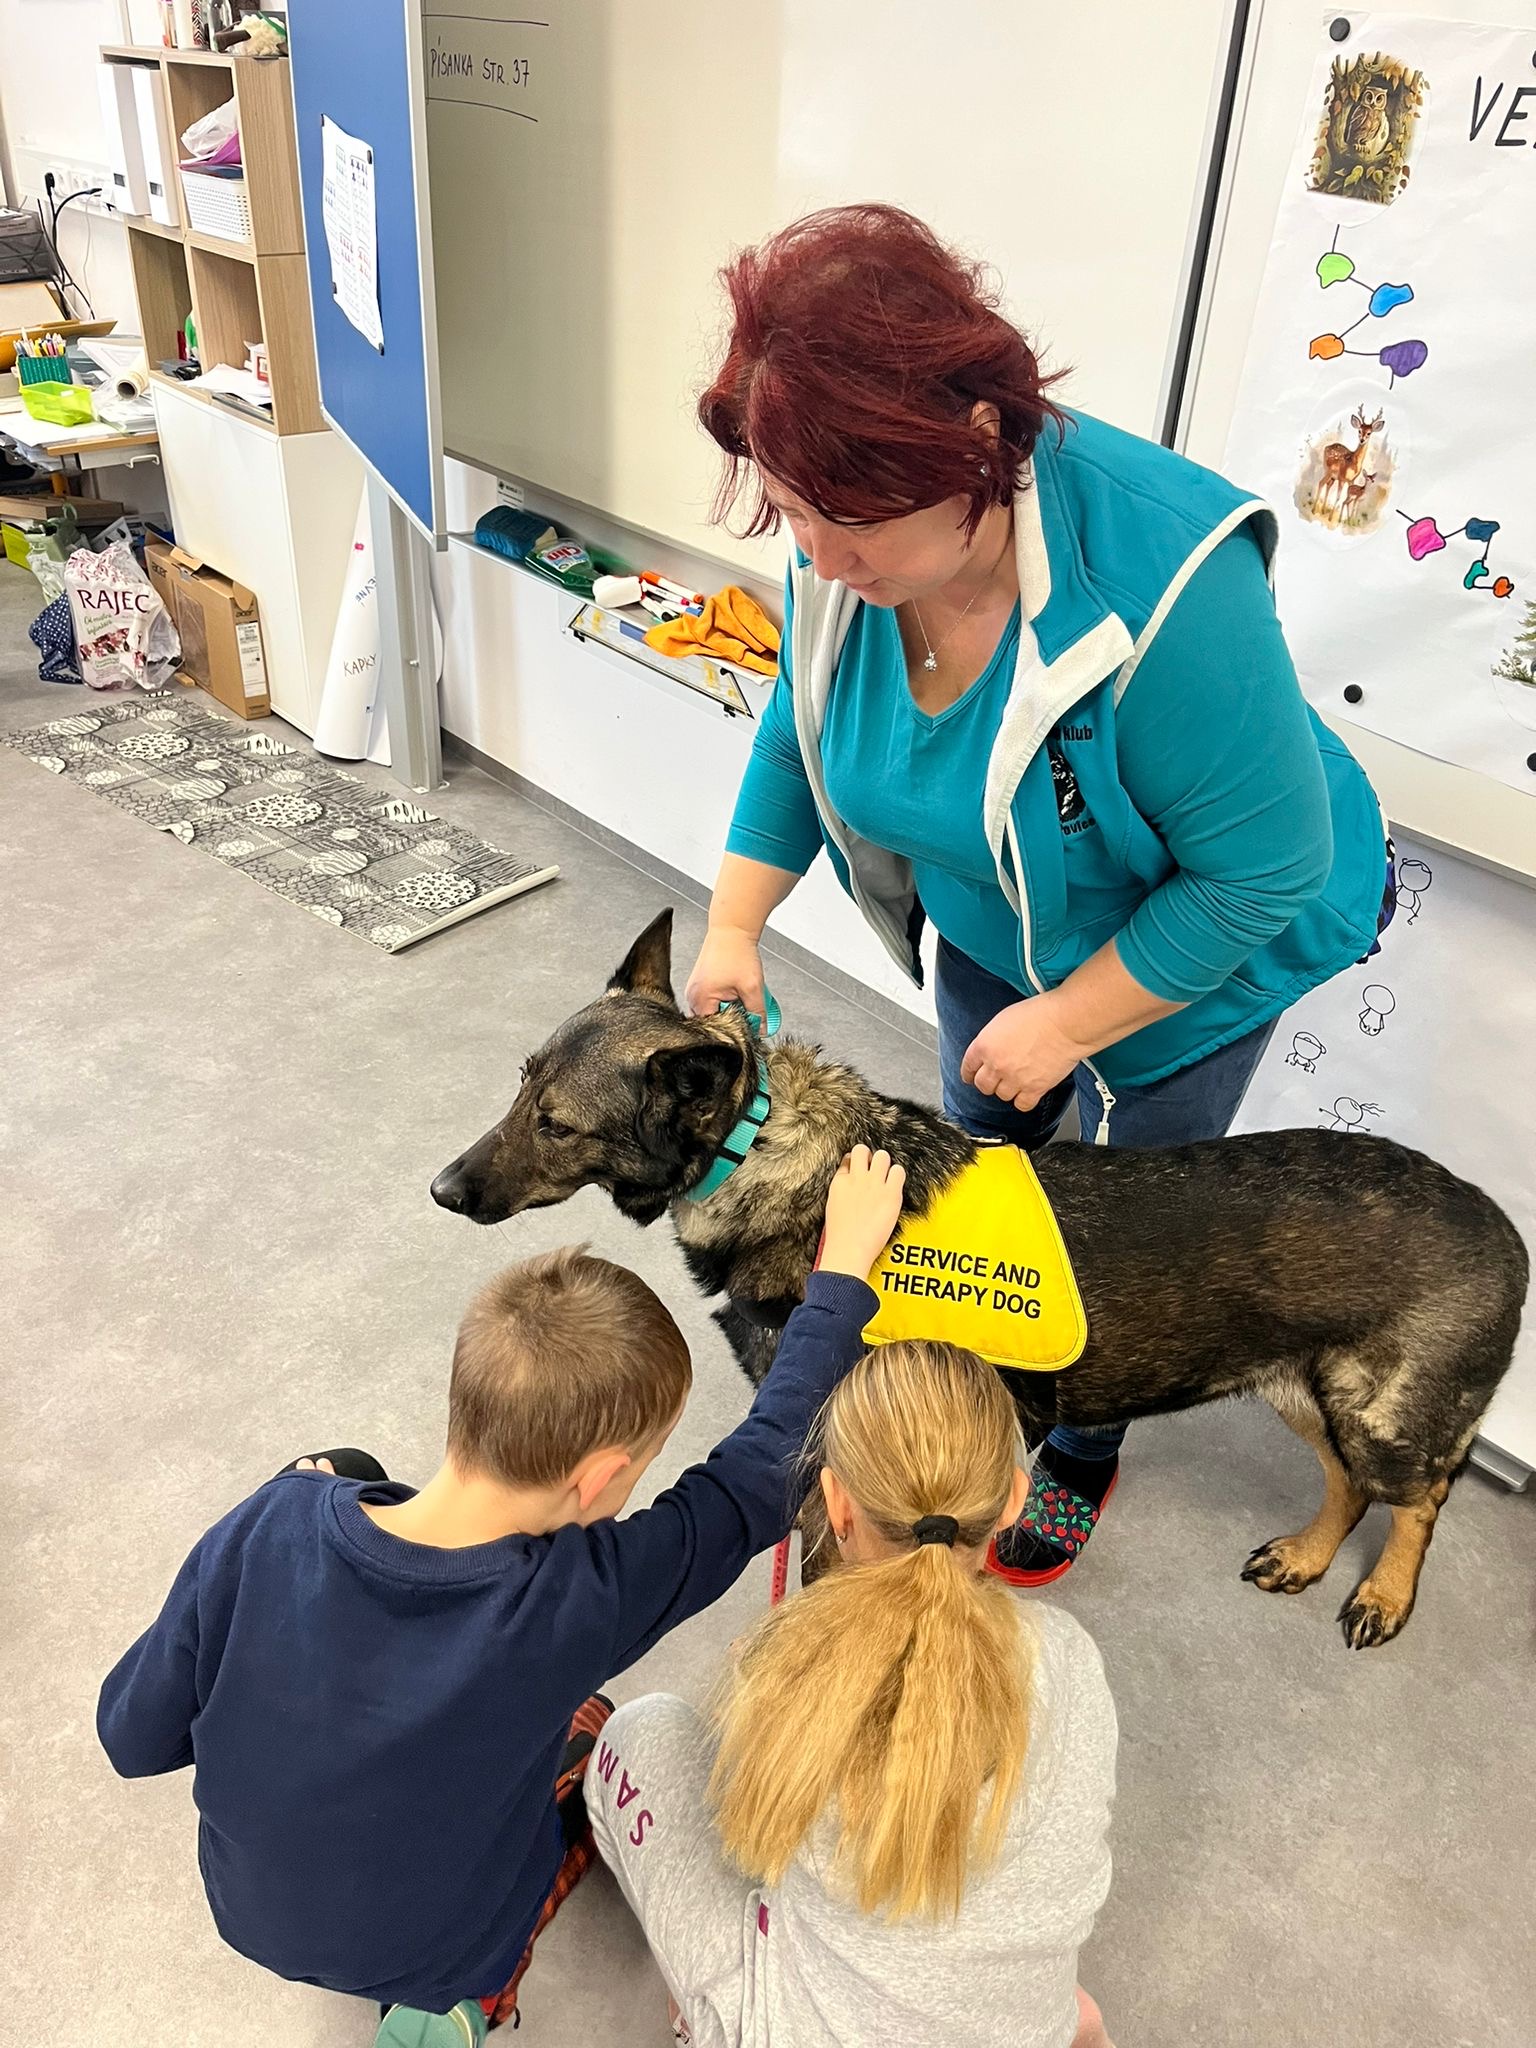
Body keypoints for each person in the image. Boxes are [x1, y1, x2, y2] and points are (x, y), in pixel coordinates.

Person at [684, 203, 1391, 1584]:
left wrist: (1072, 1022)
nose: (817, 559)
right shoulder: (842, 540)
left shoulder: (1170, 583)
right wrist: (731, 922)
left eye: (848, 525)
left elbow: (1262, 870)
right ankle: (986, 1378)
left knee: (1125, 1229)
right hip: (996, 916)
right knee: (980, 1163)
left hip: (1196, 943)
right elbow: (799, 730)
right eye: (796, 518)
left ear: (975, 449)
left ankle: (1080, 1444)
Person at [96, 1150, 904, 2046]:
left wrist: (287, 1544)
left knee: (351, 1470)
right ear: (599, 1481)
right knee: (583, 1738)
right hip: (442, 1943)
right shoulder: (574, 1604)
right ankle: (470, 1997)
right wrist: (839, 1275)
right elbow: (758, 1476)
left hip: (248, 1912)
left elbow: (131, 1738)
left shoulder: (268, 1524)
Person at [590, 1338, 1118, 2048]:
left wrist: (764, 1686)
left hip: (798, 2030)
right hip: (1025, 2030)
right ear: (1015, 1502)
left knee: (638, 1734)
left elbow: (754, 1835)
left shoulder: (788, 1682)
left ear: (836, 1502)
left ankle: (711, 2024)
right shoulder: (1071, 1656)